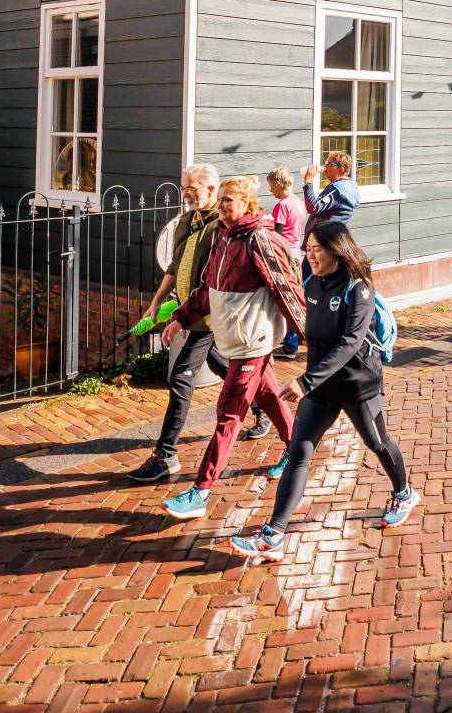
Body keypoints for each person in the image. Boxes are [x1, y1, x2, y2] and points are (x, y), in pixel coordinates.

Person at [227, 222, 419, 558]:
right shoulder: (312, 283)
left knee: (377, 442)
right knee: (298, 452)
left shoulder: (358, 288)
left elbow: (350, 343)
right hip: (321, 386)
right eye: (308, 250)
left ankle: (404, 493)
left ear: (336, 251)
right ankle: (274, 535)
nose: (311, 256)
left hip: (357, 385)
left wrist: (304, 382)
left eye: (317, 250)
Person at [159, 176, 305, 520]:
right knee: (267, 395)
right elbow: (207, 288)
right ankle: (297, 448)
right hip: (235, 339)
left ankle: (201, 490)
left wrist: (312, 338)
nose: (222, 206)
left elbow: (286, 290)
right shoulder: (223, 237)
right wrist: (181, 317)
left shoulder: (259, 239)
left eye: (229, 200)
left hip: (253, 339)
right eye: (220, 199)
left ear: (246, 204)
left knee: (229, 412)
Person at [130, 164, 238, 483]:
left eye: (193, 188)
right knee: (224, 367)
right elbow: (174, 267)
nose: (187, 194)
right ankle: (261, 407)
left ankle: (166, 455)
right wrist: (155, 303)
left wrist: (183, 316)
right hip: (187, 310)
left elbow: (214, 278)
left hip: (208, 315)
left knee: (180, 377)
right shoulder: (186, 221)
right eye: (184, 188)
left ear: (212, 190)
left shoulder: (221, 225)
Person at [267, 166, 311, 359]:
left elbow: (277, 235)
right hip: (296, 255)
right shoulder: (298, 202)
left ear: (278, 184)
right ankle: (293, 340)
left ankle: (290, 345)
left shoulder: (282, 205)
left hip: (284, 255)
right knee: (293, 295)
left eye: (271, 186)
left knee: (284, 298)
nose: (270, 190)